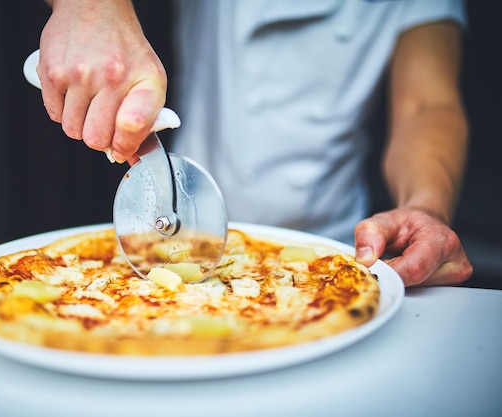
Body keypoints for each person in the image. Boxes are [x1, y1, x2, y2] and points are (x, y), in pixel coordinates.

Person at [34, 0, 473, 287]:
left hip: (334, 253)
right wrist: (91, 9)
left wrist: (425, 205)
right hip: (174, 233)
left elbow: (426, 105)